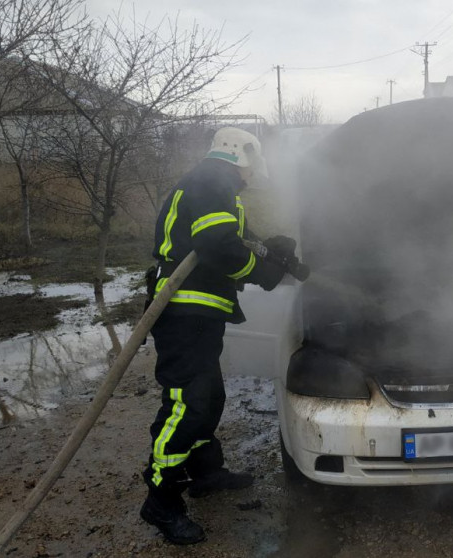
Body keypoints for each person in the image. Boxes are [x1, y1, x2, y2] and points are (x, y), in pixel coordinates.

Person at [140, 127, 288, 545]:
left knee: (209, 396)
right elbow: (219, 245)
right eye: (251, 170)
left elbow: (233, 237)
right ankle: (161, 499)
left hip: (198, 313)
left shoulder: (214, 185)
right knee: (188, 402)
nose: (249, 178)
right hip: (183, 312)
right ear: (244, 159)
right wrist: (265, 273)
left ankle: (204, 472)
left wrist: (271, 249)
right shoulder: (211, 179)